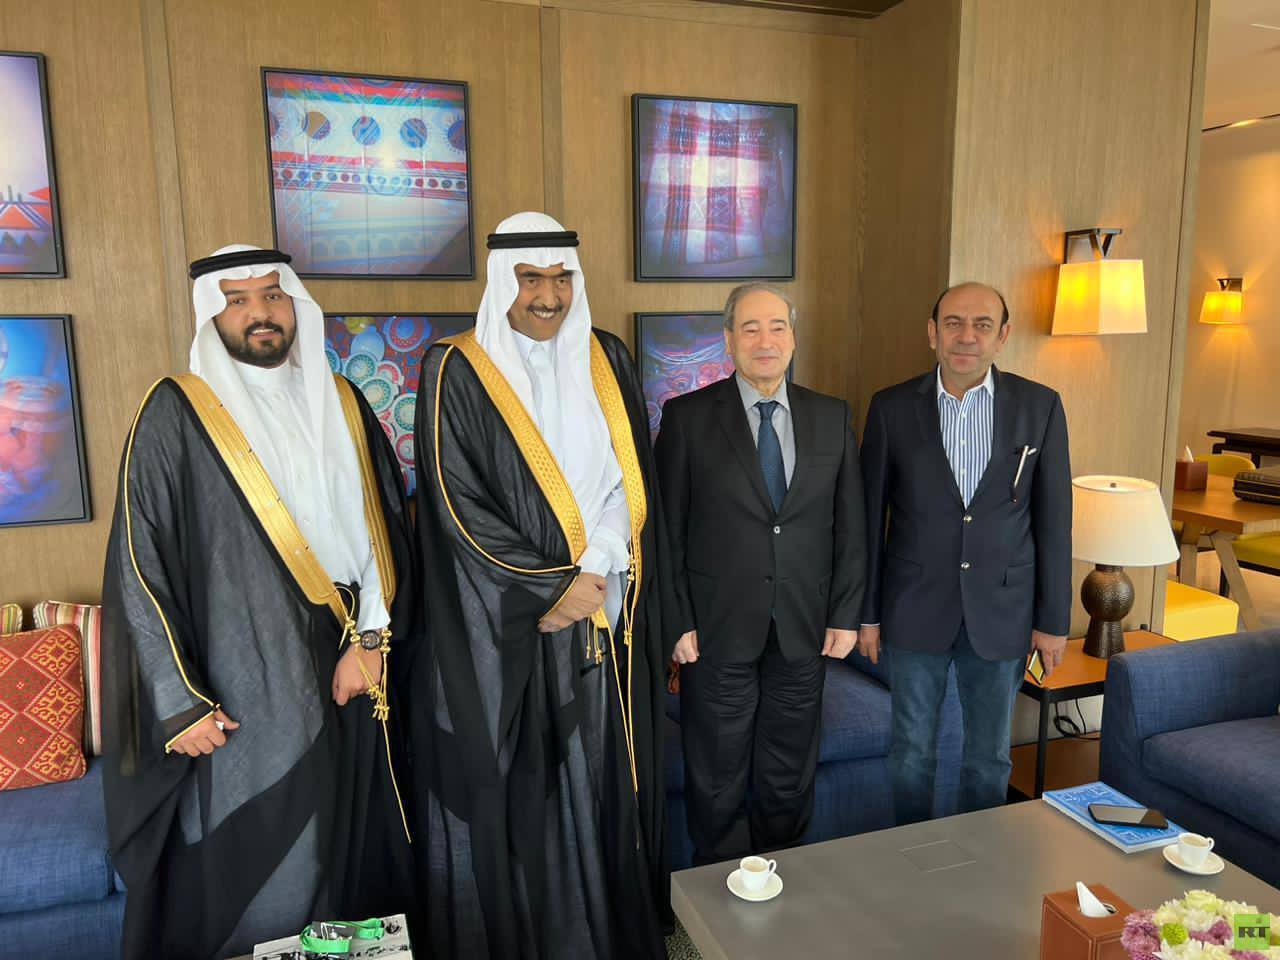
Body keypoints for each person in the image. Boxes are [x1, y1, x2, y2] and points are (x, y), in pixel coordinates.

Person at [100, 245, 416, 960]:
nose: (259, 313)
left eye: (272, 296)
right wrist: (177, 702)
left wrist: (371, 641)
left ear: (294, 303)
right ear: (212, 314)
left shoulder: (342, 400)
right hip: (242, 668)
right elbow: (139, 561)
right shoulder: (175, 410)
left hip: (356, 654)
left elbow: (384, 528)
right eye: (237, 300)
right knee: (273, 850)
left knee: (355, 840)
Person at [405, 212, 672, 958]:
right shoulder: (454, 367)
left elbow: (630, 477)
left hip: (604, 609)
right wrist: (551, 589)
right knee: (531, 787)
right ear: (503, 282)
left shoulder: (607, 356)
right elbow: (456, 503)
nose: (548, 296)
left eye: (561, 279)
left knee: (605, 775)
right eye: (531, 279)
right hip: (508, 623)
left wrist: (601, 564)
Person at [654, 282, 866, 865]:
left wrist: (846, 614)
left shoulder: (831, 416)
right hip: (714, 631)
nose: (765, 340)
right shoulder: (687, 418)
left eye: (777, 327)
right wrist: (676, 621)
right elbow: (666, 531)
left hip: (804, 627)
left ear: (793, 337)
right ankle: (714, 895)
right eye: (750, 328)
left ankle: (782, 880)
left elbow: (851, 526)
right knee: (716, 775)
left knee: (788, 773)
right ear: (728, 340)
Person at [858, 281, 1071, 825]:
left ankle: (981, 860)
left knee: (989, 758)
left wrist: (1052, 622)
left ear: (1003, 335)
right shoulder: (890, 407)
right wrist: (867, 615)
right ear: (932, 333)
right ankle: (910, 852)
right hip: (913, 606)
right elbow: (868, 521)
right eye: (953, 323)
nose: (966, 336)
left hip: (1003, 610)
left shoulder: (1040, 406)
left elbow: (1054, 522)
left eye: (982, 325)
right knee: (910, 753)